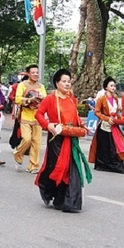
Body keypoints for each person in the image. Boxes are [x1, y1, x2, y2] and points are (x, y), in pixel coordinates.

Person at [35, 69, 92, 212]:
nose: (67, 84)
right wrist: (48, 125)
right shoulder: (50, 98)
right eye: (64, 81)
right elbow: (39, 114)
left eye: (69, 81)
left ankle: (68, 201)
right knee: (57, 167)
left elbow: (75, 116)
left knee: (71, 168)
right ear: (57, 83)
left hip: (71, 136)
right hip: (56, 138)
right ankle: (49, 190)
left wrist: (82, 125)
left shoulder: (72, 98)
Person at [89, 76, 124, 173]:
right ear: (106, 87)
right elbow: (97, 112)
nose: (113, 88)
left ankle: (116, 165)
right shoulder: (101, 99)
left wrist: (122, 120)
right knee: (105, 147)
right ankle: (103, 165)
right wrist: (107, 118)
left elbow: (118, 113)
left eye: (114, 86)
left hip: (114, 125)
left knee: (115, 145)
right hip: (104, 126)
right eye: (111, 85)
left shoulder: (115, 99)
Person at [14, 65, 47, 173]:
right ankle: (18, 154)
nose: (35, 74)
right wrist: (29, 100)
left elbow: (45, 100)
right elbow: (17, 99)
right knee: (27, 139)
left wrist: (41, 100)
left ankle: (33, 166)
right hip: (25, 115)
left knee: (36, 142)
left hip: (38, 116)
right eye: (33, 72)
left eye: (37, 72)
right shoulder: (22, 85)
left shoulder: (41, 86)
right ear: (28, 74)